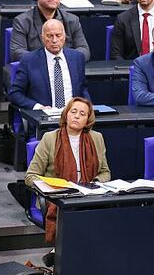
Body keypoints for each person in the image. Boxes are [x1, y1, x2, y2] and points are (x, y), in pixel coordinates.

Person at [25, 97, 111, 263]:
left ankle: (66, 254)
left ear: (88, 120)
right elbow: (30, 176)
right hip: (58, 196)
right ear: (66, 114)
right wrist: (49, 188)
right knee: (73, 212)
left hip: (87, 193)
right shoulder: (50, 138)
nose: (77, 116)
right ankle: (67, 254)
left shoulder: (96, 138)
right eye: (73, 111)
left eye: (82, 113)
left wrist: (93, 184)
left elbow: (105, 172)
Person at [8, 19, 91, 110]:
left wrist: (87, 109)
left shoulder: (77, 58)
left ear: (64, 37)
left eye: (58, 35)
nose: (54, 40)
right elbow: (15, 93)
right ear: (42, 38)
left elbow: (82, 90)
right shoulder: (29, 60)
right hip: (44, 117)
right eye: (49, 36)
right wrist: (38, 107)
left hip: (72, 116)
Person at [10, 0, 89, 62]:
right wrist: (48, 60)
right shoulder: (22, 21)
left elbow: (84, 50)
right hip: (36, 71)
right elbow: (16, 53)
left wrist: (62, 59)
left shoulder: (73, 20)